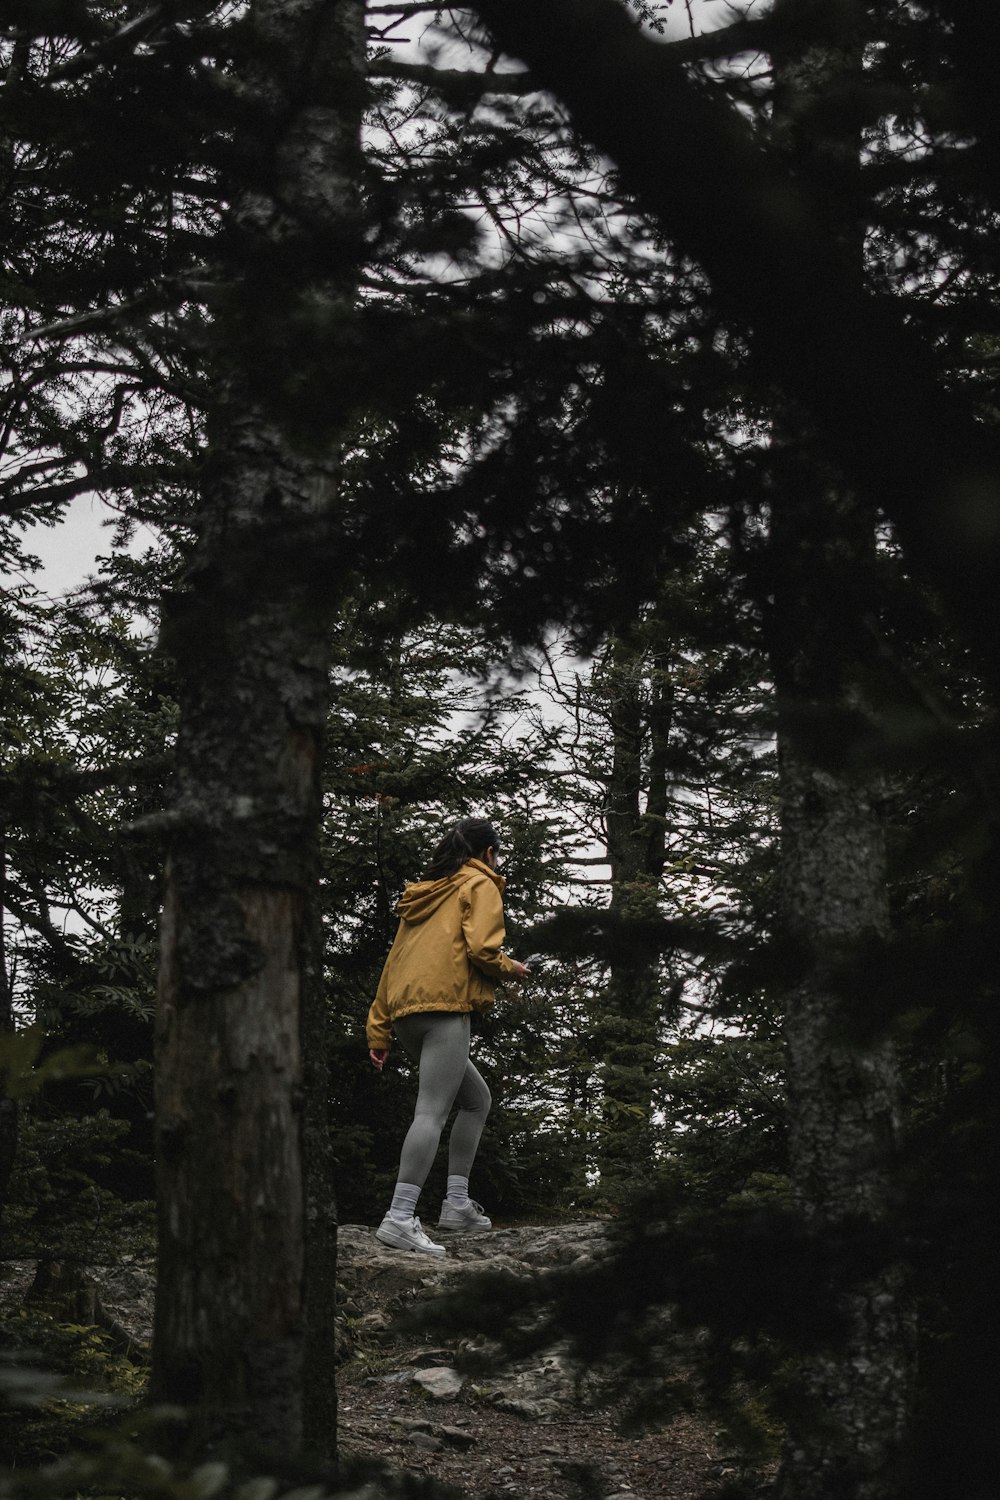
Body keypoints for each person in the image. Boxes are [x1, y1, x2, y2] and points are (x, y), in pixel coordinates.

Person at [367, 816, 530, 1256]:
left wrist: (378, 1028)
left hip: (406, 1014)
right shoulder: (481, 884)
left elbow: (393, 963)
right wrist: (510, 968)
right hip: (444, 1008)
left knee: (477, 1100)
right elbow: (482, 948)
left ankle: (456, 1204)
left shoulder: (422, 895)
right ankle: (399, 1217)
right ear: (489, 854)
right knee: (431, 1113)